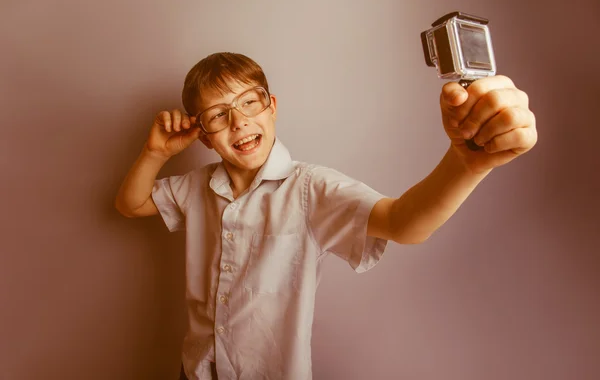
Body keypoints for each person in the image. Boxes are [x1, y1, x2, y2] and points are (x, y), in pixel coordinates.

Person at [114, 52, 537, 380]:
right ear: (204, 136)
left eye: (249, 103)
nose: (239, 121)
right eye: (219, 115)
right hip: (198, 371)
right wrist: (156, 153)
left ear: (271, 107)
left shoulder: (310, 189)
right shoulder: (196, 186)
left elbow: (404, 222)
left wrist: (466, 164)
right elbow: (129, 204)